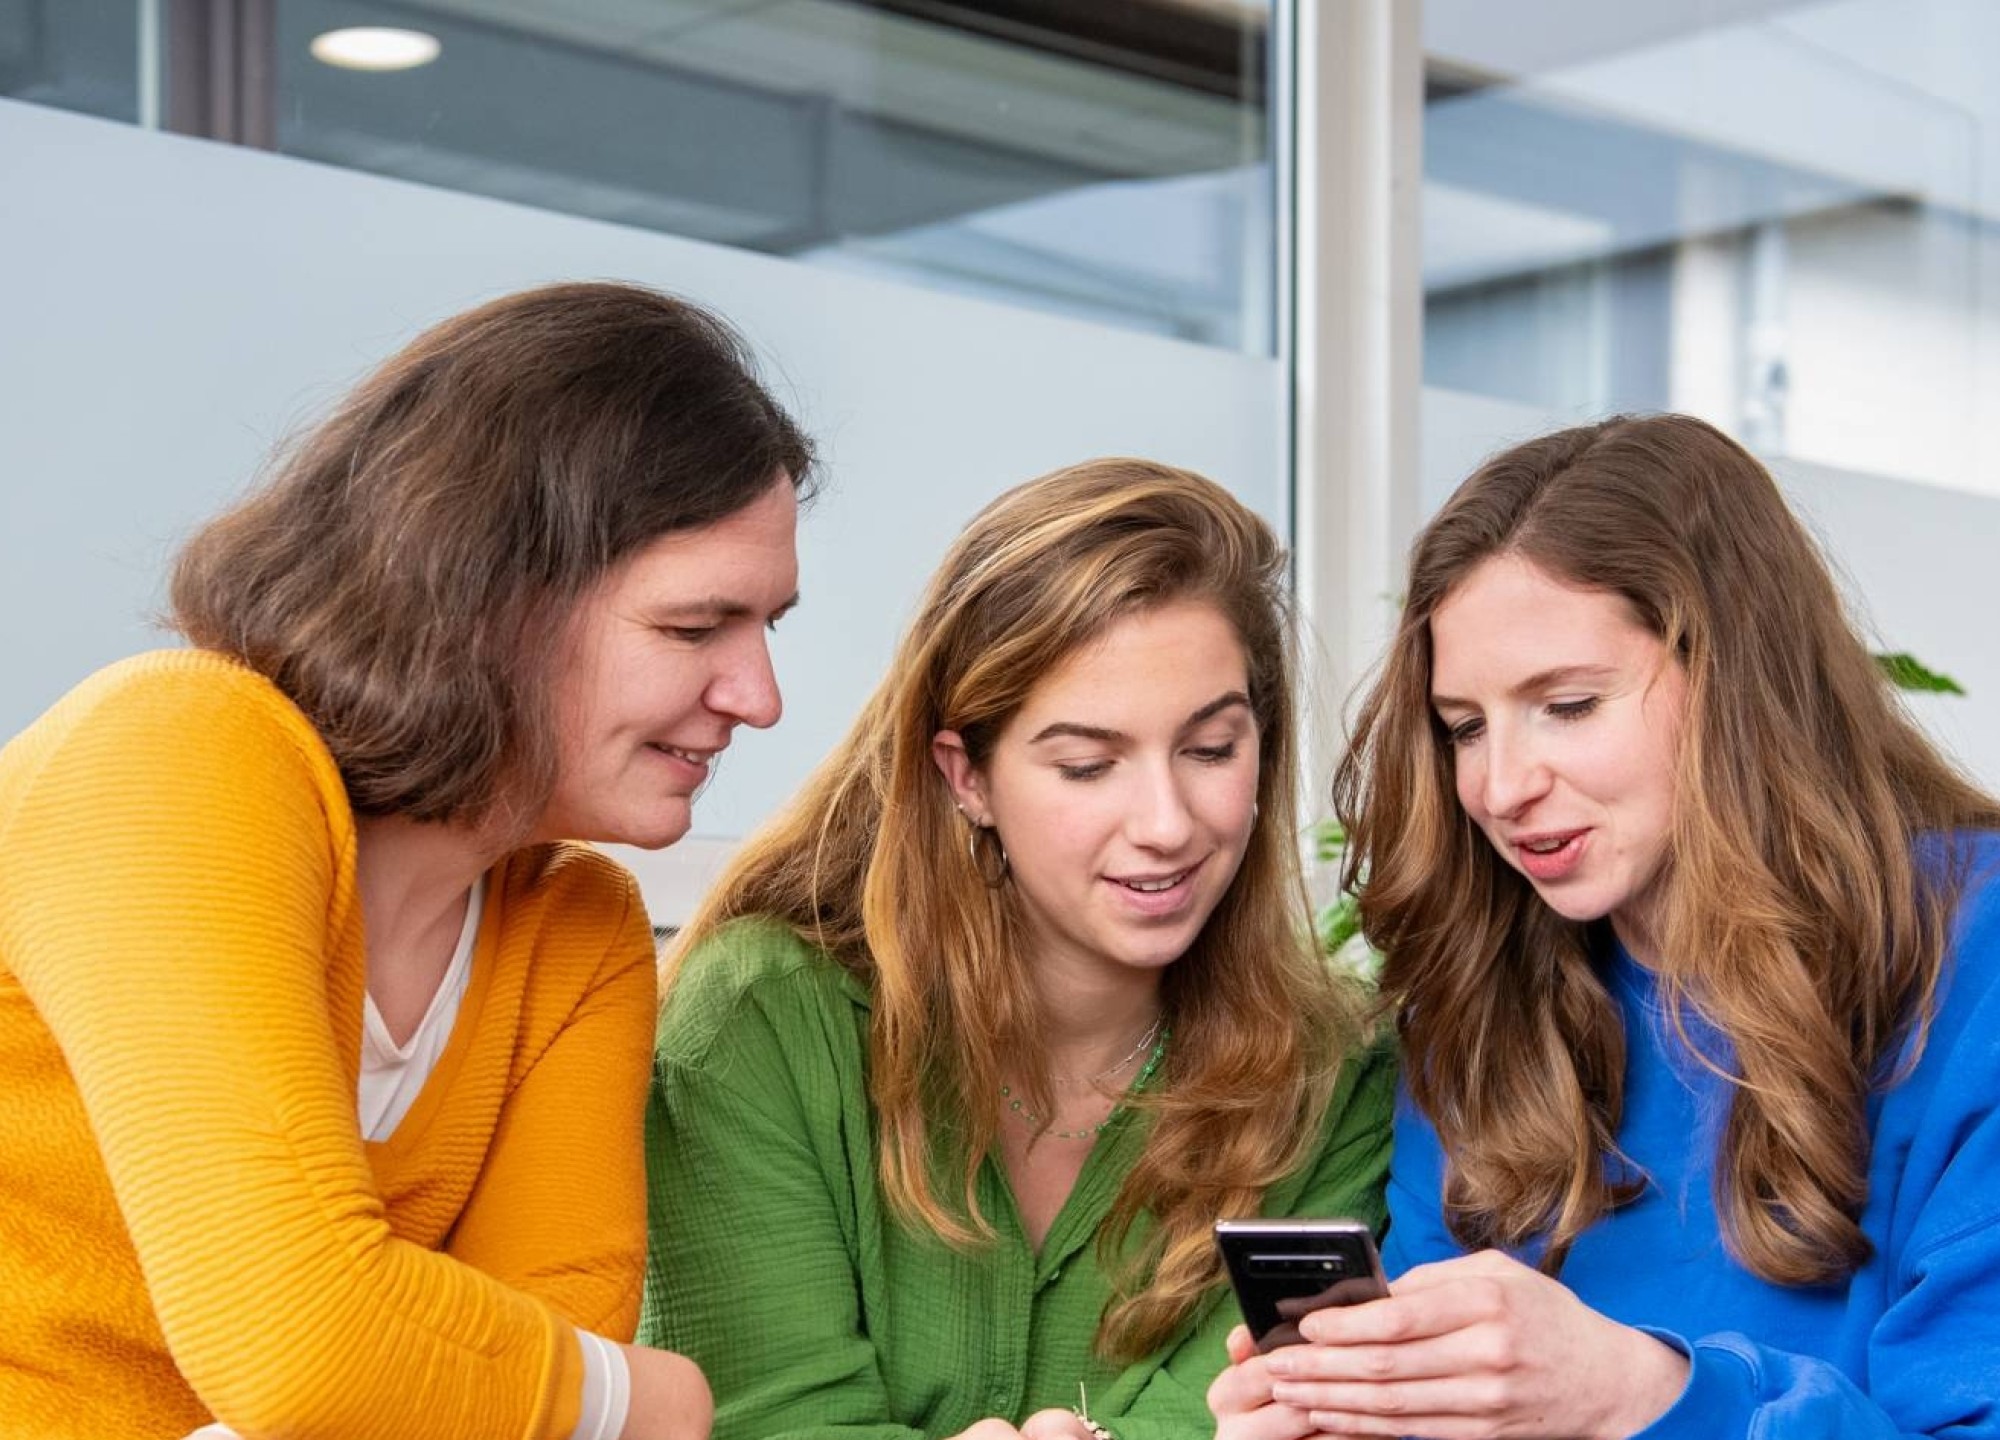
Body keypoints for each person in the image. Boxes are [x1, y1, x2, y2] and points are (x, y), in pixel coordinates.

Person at [0, 281, 813, 1440]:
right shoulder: (173, 749)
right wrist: (654, 1395)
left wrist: (576, 1395)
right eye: (693, 628)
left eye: (765, 626)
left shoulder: (577, 933)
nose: (759, 698)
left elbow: (492, 1395)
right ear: (485, 595)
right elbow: (303, 1347)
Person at [1207, 413, 2000, 1439]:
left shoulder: (1969, 960)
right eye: (1463, 728)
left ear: (1734, 677)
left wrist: (1641, 1397)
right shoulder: (1478, 996)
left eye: (1568, 705)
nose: (1498, 786)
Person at [638, 458, 1394, 1440]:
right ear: (968, 780)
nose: (1165, 823)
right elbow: (766, 1419)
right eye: (1086, 764)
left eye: (1210, 749)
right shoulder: (759, 1020)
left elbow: (1277, 1417)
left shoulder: (1336, 1076)